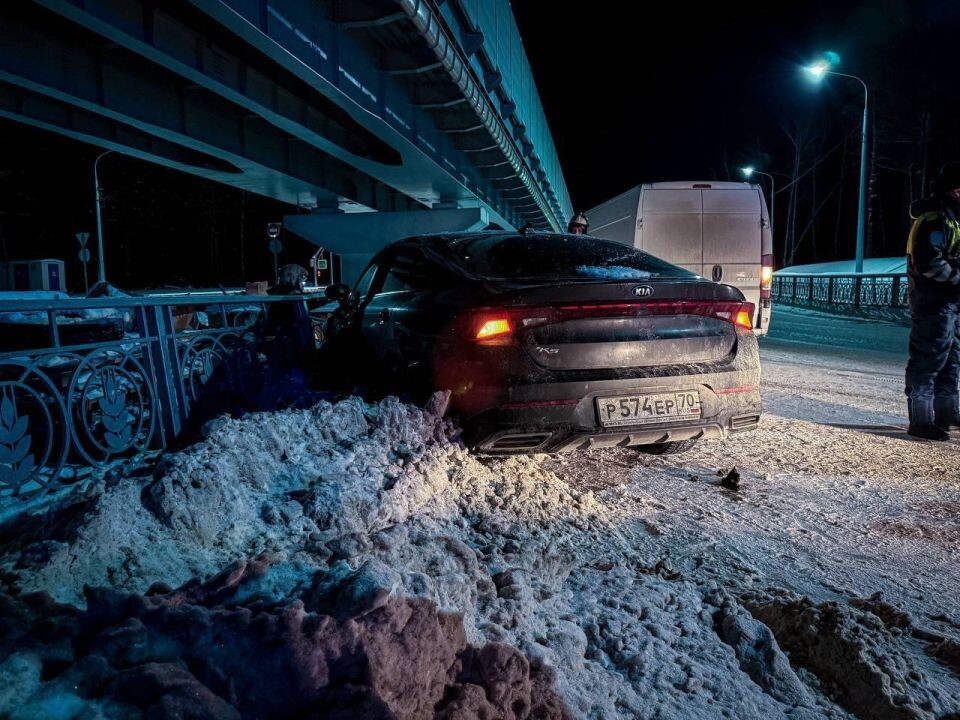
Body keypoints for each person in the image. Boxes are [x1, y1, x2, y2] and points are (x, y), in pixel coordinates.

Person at [904, 162, 960, 440]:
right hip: (933, 302)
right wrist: (957, 278)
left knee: (951, 360)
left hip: (950, 302)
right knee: (928, 360)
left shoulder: (952, 219)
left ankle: (947, 414)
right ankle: (921, 420)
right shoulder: (934, 220)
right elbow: (928, 261)